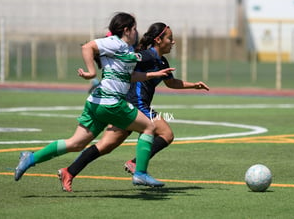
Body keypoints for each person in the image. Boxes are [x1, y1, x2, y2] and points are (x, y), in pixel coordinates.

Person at [14, 12, 175, 188]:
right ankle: (140, 173)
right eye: (135, 28)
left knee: (76, 143)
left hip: (96, 103)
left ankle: (30, 158)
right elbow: (87, 47)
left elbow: (129, 76)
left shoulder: (127, 49)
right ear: (127, 30)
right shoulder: (114, 42)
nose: (137, 32)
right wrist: (91, 72)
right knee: (149, 127)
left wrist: (153, 74)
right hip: (111, 103)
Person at [57, 22, 210, 192]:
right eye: (170, 38)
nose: (173, 42)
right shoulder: (145, 56)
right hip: (135, 104)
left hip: (127, 106)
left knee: (105, 146)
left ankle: (69, 172)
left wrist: (194, 85)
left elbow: (171, 82)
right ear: (159, 40)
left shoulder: (161, 61)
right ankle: (136, 165)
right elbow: (125, 63)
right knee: (166, 133)